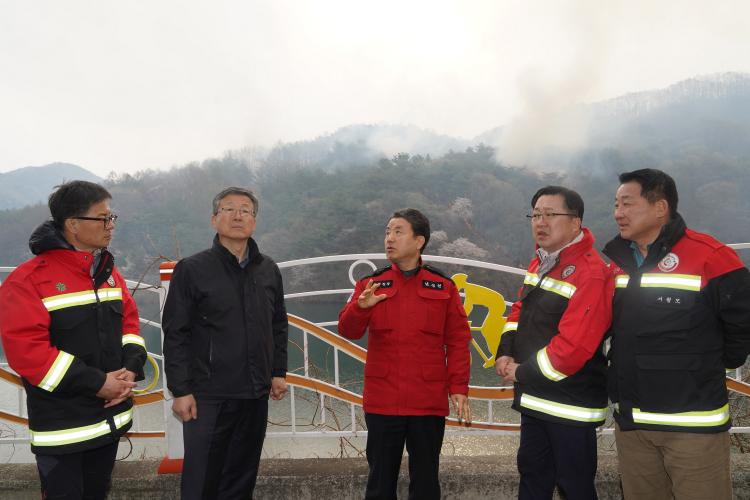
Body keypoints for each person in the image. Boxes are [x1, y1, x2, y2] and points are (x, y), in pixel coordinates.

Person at [603, 168, 750, 499]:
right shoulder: (618, 262)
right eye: (615, 205)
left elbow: (741, 323)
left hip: (693, 425)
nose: (618, 213)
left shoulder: (710, 256)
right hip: (634, 425)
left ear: (660, 207)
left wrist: (703, 366)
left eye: (627, 204)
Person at [0, 180, 146, 499]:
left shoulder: (106, 271)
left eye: (112, 217)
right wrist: (97, 383)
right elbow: (29, 354)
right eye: (103, 218)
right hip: (63, 430)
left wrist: (131, 369)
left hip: (110, 422)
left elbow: (130, 324)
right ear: (73, 224)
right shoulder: (27, 281)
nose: (111, 226)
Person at [163, 187, 288, 500]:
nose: (238, 216)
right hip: (209, 395)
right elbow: (176, 332)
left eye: (245, 210)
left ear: (254, 222)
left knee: (241, 478)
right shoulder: (192, 269)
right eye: (229, 209)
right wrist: (181, 390)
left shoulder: (268, 269)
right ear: (214, 219)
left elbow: (278, 325)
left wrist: (277, 372)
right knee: (202, 480)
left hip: (254, 392)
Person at [338, 208, 472, 500]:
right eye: (387, 231)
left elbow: (459, 339)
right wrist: (360, 308)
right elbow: (347, 330)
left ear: (419, 240)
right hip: (383, 399)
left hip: (427, 401)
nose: (389, 238)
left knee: (426, 482)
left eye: (398, 232)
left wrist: (459, 387)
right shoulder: (371, 284)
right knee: (379, 481)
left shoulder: (442, 286)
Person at [495, 186, 611, 499]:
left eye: (550, 215)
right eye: (535, 215)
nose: (540, 222)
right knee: (532, 479)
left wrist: (520, 372)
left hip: (570, 405)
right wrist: (505, 351)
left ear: (576, 223)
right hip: (536, 400)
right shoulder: (543, 263)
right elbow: (520, 310)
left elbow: (573, 348)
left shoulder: (591, 273)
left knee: (574, 487)